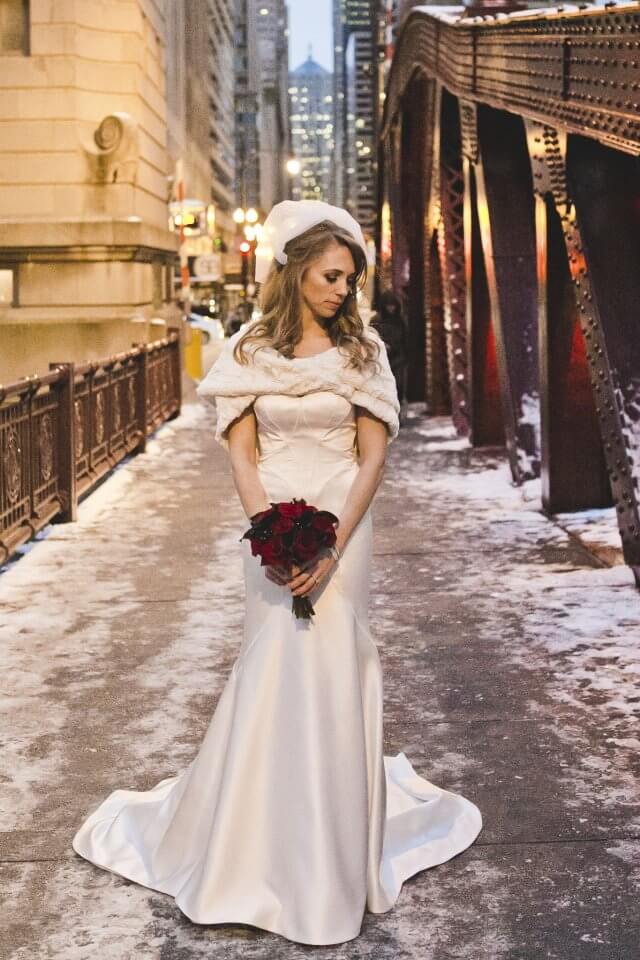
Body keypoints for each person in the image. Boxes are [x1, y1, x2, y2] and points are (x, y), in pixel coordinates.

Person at [71, 199, 482, 946]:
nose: (341, 292)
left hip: (342, 526)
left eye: (350, 281)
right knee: (272, 664)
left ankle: (333, 855)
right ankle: (254, 842)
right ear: (294, 271)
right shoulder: (248, 352)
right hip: (273, 528)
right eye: (330, 277)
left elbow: (374, 459)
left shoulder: (363, 353)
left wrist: (330, 545)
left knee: (330, 662)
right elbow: (241, 452)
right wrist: (272, 531)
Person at [370, 289, 409, 424]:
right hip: (382, 360)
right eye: (389, 305)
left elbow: (406, 340)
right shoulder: (376, 320)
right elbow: (371, 339)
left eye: (393, 306)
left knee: (398, 388)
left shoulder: (400, 321)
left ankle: (396, 418)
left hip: (398, 359)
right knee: (383, 389)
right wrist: (382, 345)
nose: (391, 308)